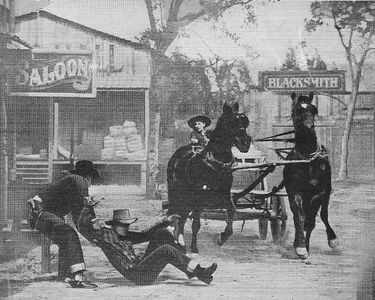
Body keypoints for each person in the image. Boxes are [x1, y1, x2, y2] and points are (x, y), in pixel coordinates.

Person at [78, 207, 218, 285]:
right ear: (113, 225)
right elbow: (86, 228)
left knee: (161, 233)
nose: (126, 227)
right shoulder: (104, 236)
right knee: (166, 250)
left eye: (127, 224)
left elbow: (147, 234)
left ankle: (192, 271)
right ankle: (199, 271)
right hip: (136, 275)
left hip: (143, 267)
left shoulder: (127, 236)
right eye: (122, 225)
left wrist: (165, 221)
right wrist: (87, 209)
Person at [27, 160, 99, 289]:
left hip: (41, 214)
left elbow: (79, 216)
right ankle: (78, 277)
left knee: (65, 240)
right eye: (91, 179)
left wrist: (90, 228)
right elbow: (86, 207)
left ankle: (64, 275)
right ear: (89, 176)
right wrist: (94, 225)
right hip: (41, 211)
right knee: (70, 235)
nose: (90, 183)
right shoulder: (79, 180)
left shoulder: (73, 182)